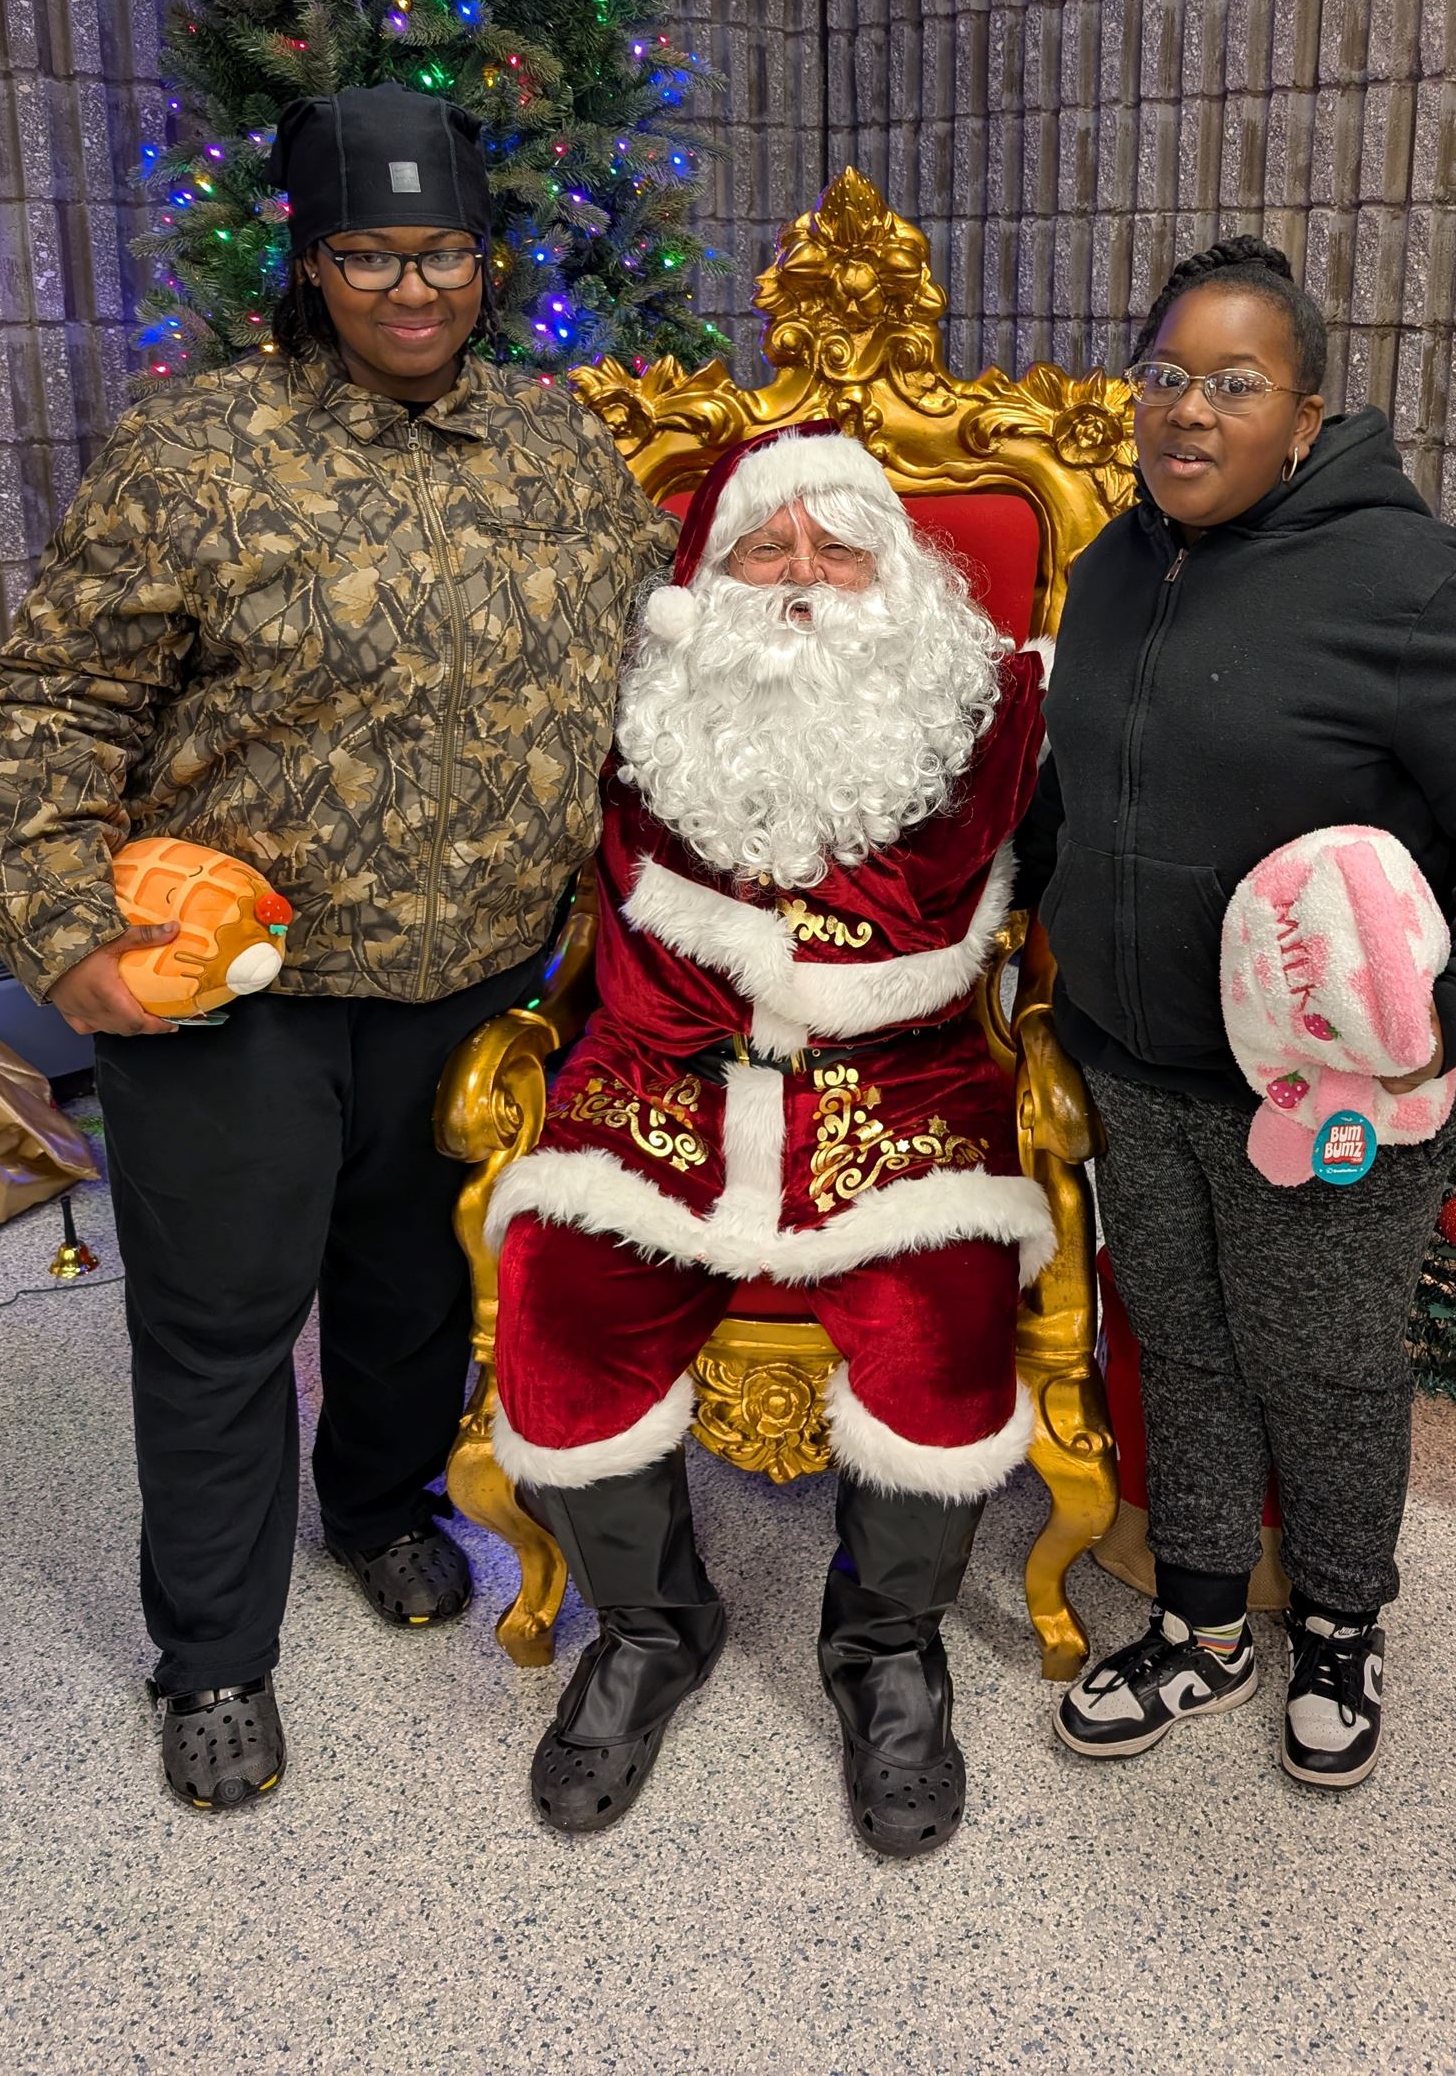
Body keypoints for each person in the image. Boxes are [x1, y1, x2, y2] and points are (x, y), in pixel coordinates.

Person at [0, 86, 675, 1812]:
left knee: (409, 1289)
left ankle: (374, 1507)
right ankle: (213, 1653)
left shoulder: (557, 451)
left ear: (490, 262)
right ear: (311, 262)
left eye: (444, 253)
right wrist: (68, 933)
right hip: (236, 987)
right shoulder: (197, 450)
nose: (411, 289)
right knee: (221, 1322)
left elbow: (654, 672)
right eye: (370, 254)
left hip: (474, 974)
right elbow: (56, 701)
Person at [1018, 235, 1456, 1790]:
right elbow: (1087, 779)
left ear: (1305, 415)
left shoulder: (1398, 583)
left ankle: (1340, 1624)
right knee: (1186, 1351)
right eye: (1164, 375)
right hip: (1136, 1064)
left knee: (1324, 1366)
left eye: (1233, 384)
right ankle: (1203, 1622)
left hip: (1331, 1091)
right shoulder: (1113, 566)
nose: (1186, 411)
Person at [487, 425, 1050, 1856]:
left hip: (902, 1093)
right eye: (765, 546)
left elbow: (959, 907)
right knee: (556, 1306)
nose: (802, 575)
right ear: (707, 581)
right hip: (656, 1084)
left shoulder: (979, 710)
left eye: (838, 546)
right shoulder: (640, 707)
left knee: (939, 1339)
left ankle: (885, 1652)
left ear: (898, 571)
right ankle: (651, 1628)